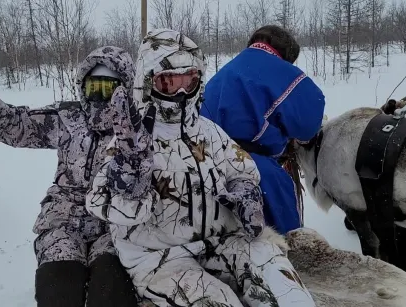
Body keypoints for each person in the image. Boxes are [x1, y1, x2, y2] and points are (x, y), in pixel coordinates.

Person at [86, 28, 316, 307]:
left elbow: (241, 170)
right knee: (218, 302)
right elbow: (103, 204)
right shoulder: (130, 143)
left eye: (190, 80)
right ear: (148, 82)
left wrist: (245, 196)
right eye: (170, 82)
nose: (182, 92)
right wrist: (130, 181)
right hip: (163, 258)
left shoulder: (209, 132)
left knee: (284, 286)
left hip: (223, 241)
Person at [0, 37, 138, 307]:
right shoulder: (68, 118)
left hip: (117, 224)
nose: (99, 96)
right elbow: (15, 124)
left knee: (112, 292)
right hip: (64, 221)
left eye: (109, 88)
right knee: (58, 290)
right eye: (94, 86)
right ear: (83, 86)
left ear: (125, 89)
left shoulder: (138, 128)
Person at [201, 25, 326, 235]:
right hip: (251, 164)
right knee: (282, 228)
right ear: (286, 54)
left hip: (207, 161)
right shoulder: (279, 69)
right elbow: (308, 124)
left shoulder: (228, 69)